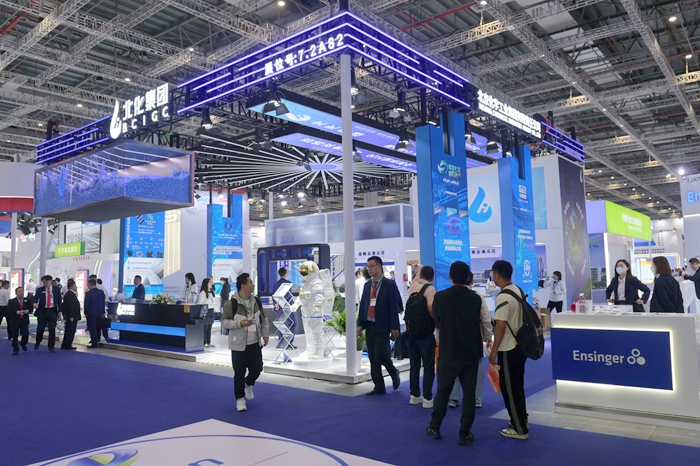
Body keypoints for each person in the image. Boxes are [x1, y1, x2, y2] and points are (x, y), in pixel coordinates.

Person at [427, 262, 493, 445]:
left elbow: (437, 319)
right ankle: (465, 432)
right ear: (468, 278)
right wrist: (488, 338)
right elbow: (485, 321)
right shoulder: (476, 298)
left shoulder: (440, 297)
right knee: (469, 394)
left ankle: (435, 426)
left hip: (449, 350)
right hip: (471, 352)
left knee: (443, 391)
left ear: (450, 277)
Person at [488, 260, 529, 440]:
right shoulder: (517, 290)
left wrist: (493, 352)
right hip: (520, 346)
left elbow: (501, 326)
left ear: (497, 274)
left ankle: (519, 428)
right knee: (517, 386)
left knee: (510, 389)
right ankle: (521, 419)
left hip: (508, 348)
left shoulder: (503, 297)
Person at [221, 273, 269, 412]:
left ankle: (249, 383)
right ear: (243, 286)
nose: (253, 285)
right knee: (239, 373)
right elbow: (224, 322)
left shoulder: (256, 301)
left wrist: (265, 334)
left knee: (257, 368)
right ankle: (240, 399)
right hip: (238, 345)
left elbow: (263, 319)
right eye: (250, 282)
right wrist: (239, 323)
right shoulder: (232, 304)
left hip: (254, 343)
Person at [357, 255, 402, 396]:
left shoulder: (389, 285)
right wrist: (360, 325)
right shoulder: (367, 285)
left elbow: (393, 307)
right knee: (372, 357)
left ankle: (393, 372)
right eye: (368, 267)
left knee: (380, 354)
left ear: (379, 266)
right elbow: (363, 306)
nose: (369, 269)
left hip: (383, 325)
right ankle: (379, 386)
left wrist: (394, 327)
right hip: (369, 324)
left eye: (372, 266)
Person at [407, 265, 437, 409]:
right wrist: (436, 322)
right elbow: (430, 308)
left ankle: (414, 395)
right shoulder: (430, 289)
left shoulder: (413, 286)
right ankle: (427, 398)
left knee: (414, 364)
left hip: (411, 331)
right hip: (425, 333)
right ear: (432, 277)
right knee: (428, 365)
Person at [34, 275, 62, 353]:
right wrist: (34, 303)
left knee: (52, 329)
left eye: (46, 282)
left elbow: (59, 301)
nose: (45, 284)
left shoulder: (56, 289)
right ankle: (38, 341)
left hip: (52, 310)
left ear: (50, 281)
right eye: (43, 282)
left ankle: (51, 346)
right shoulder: (40, 290)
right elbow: (35, 298)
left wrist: (60, 311)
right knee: (40, 328)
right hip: (42, 310)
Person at [271, 267, 296, 349]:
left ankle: (281, 342)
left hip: (279, 307)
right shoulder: (288, 283)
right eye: (287, 272)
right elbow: (288, 295)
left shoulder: (276, 284)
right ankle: (289, 342)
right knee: (293, 324)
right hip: (287, 307)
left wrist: (276, 304)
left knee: (281, 325)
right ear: (285, 273)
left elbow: (273, 296)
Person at [8, 287, 32, 355]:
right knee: (15, 335)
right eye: (19, 291)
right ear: (16, 293)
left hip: (24, 320)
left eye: (22, 291)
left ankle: (23, 343)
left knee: (25, 334)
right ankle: (15, 349)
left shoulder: (27, 300)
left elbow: (31, 308)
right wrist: (17, 312)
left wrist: (27, 311)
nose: (21, 293)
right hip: (15, 320)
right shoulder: (11, 301)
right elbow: (8, 310)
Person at [84, 279, 107, 348]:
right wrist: (103, 312)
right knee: (98, 328)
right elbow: (103, 303)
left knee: (92, 329)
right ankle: (98, 339)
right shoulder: (101, 292)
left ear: (90, 284)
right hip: (99, 313)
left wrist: (86, 312)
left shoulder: (88, 293)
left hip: (91, 313)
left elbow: (86, 304)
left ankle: (94, 343)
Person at [61, 279, 81, 350]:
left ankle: (65, 344)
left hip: (70, 315)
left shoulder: (68, 294)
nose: (76, 287)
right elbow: (70, 306)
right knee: (71, 330)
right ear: (72, 286)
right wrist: (72, 316)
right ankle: (68, 344)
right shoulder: (71, 295)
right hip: (72, 316)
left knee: (68, 330)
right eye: (75, 286)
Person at [197, 277, 215, 347]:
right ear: (206, 284)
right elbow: (200, 303)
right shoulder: (203, 293)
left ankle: (209, 341)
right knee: (205, 327)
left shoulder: (211, 291)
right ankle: (204, 342)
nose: (211, 284)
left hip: (212, 310)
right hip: (206, 310)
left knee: (209, 327)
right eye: (210, 283)